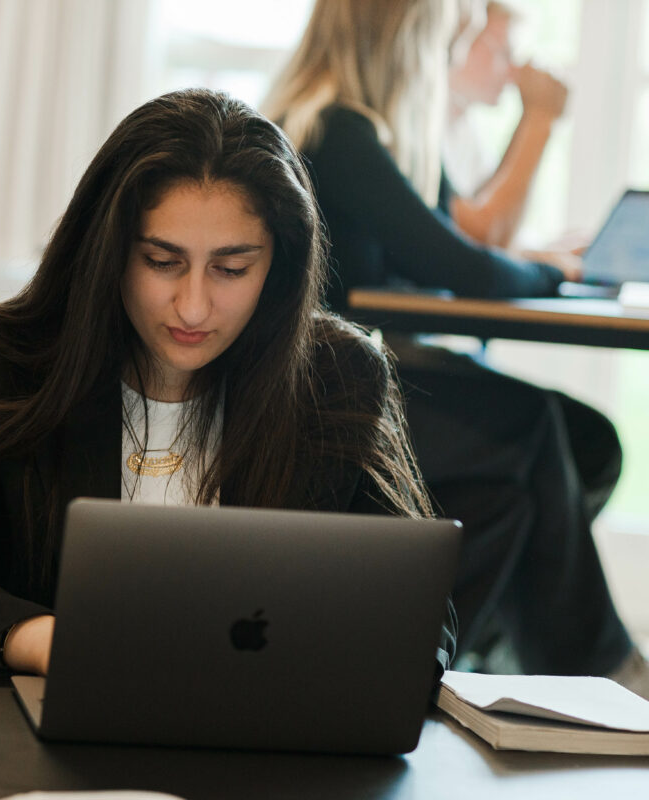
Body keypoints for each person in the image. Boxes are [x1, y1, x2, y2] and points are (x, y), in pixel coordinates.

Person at [0, 88, 443, 680]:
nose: (194, 306)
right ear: (107, 251)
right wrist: (47, 641)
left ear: (277, 266)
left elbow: (422, 617)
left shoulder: (337, 376)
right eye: (161, 261)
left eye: (232, 269)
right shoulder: (6, 363)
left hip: (268, 744)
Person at [261, 0, 648, 694]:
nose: (448, 58)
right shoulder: (334, 129)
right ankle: (602, 673)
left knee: (522, 493)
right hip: (323, 392)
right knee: (534, 428)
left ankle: (437, 678)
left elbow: (452, 242)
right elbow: (465, 267)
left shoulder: (369, 133)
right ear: (409, 41)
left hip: (362, 370)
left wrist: (532, 263)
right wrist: (556, 272)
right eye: (448, 40)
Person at [445, 2, 573, 253]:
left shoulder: (467, 132)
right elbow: (484, 237)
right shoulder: (424, 129)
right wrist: (540, 116)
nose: (514, 71)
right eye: (503, 52)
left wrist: (550, 250)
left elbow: (497, 223)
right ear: (460, 39)